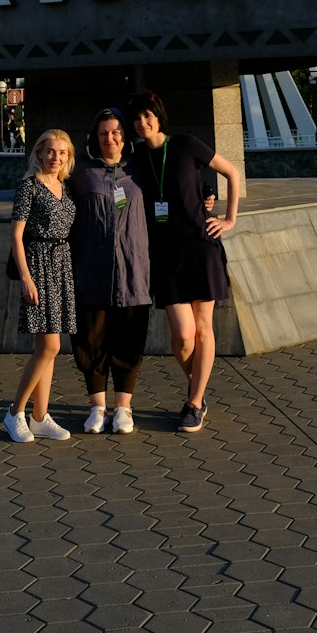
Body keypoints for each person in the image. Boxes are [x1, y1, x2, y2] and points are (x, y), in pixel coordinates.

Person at [126, 90, 240, 436]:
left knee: (203, 328)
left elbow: (232, 172)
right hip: (164, 253)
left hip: (199, 246)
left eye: (148, 115)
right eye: (137, 118)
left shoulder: (187, 144)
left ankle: (194, 403)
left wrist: (230, 219)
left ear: (159, 117)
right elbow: (122, 197)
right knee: (182, 335)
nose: (143, 123)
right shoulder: (136, 158)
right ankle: (198, 387)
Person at [69, 107, 150, 437]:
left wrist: (207, 198)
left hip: (134, 270)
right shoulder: (81, 173)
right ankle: (97, 407)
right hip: (92, 268)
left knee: (129, 339)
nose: (110, 138)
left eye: (116, 132)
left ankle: (124, 408)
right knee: (91, 338)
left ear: (125, 137)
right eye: (103, 133)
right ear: (94, 137)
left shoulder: (139, 169)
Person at [4, 129, 77, 445]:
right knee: (50, 346)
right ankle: (15, 412)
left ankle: (39, 417)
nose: (56, 157)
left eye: (62, 153)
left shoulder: (65, 186)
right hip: (39, 264)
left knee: (47, 349)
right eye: (50, 151)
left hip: (62, 264)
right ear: (38, 153)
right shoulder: (28, 188)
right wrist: (26, 277)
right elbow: (16, 236)